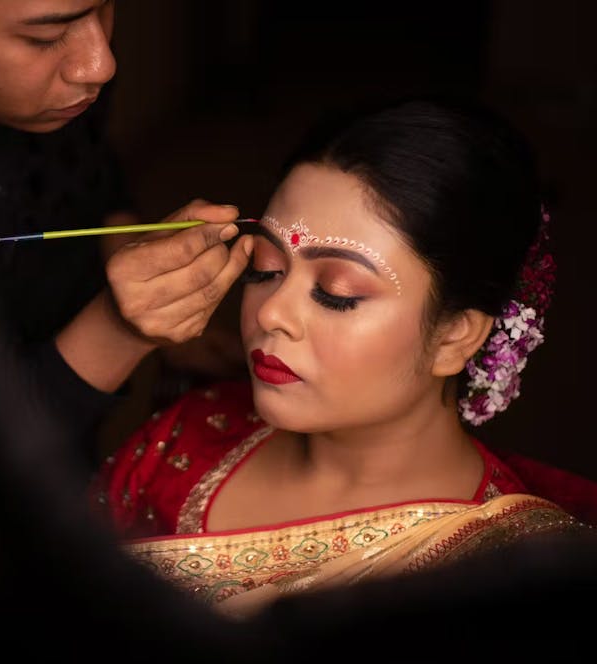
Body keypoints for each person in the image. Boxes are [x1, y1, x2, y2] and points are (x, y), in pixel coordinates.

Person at [89, 96, 597, 618]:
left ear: (454, 337)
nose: (272, 314)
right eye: (265, 269)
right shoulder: (182, 437)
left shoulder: (504, 585)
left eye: (336, 292)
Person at [0, 0, 253, 465]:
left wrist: (137, 258)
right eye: (45, 38)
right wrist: (119, 330)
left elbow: (90, 177)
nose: (101, 64)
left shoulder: (65, 90)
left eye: (105, 9)